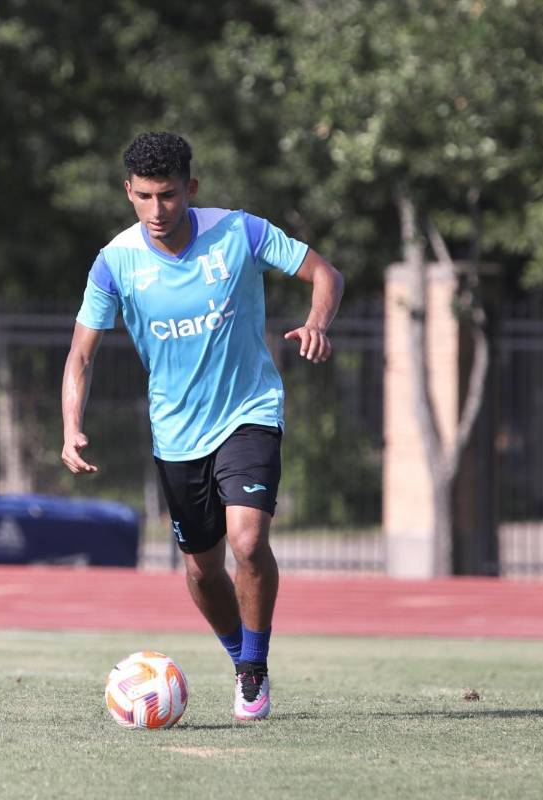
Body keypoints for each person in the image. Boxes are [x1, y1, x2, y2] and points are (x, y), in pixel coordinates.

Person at [61, 131, 343, 722]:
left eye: (168, 196)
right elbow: (81, 355)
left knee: (248, 541)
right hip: (177, 434)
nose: (157, 210)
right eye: (144, 197)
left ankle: (255, 668)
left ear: (191, 189)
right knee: (202, 569)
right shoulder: (115, 262)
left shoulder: (239, 232)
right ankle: (239, 656)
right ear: (128, 193)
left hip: (249, 411)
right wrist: (71, 427)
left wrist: (317, 321)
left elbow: (325, 274)